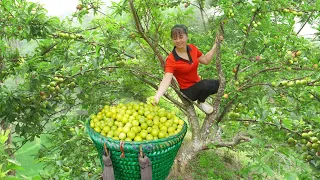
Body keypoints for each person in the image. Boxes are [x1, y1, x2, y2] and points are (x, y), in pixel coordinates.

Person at [153, 24, 222, 114]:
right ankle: (201, 101)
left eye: (181, 37)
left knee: (219, 84)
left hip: (198, 84)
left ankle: (202, 98)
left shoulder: (192, 48)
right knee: (206, 84)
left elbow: (205, 60)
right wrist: (157, 96)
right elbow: (166, 79)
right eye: (175, 38)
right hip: (188, 91)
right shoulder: (171, 59)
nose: (178, 41)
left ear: (186, 36)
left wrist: (215, 45)